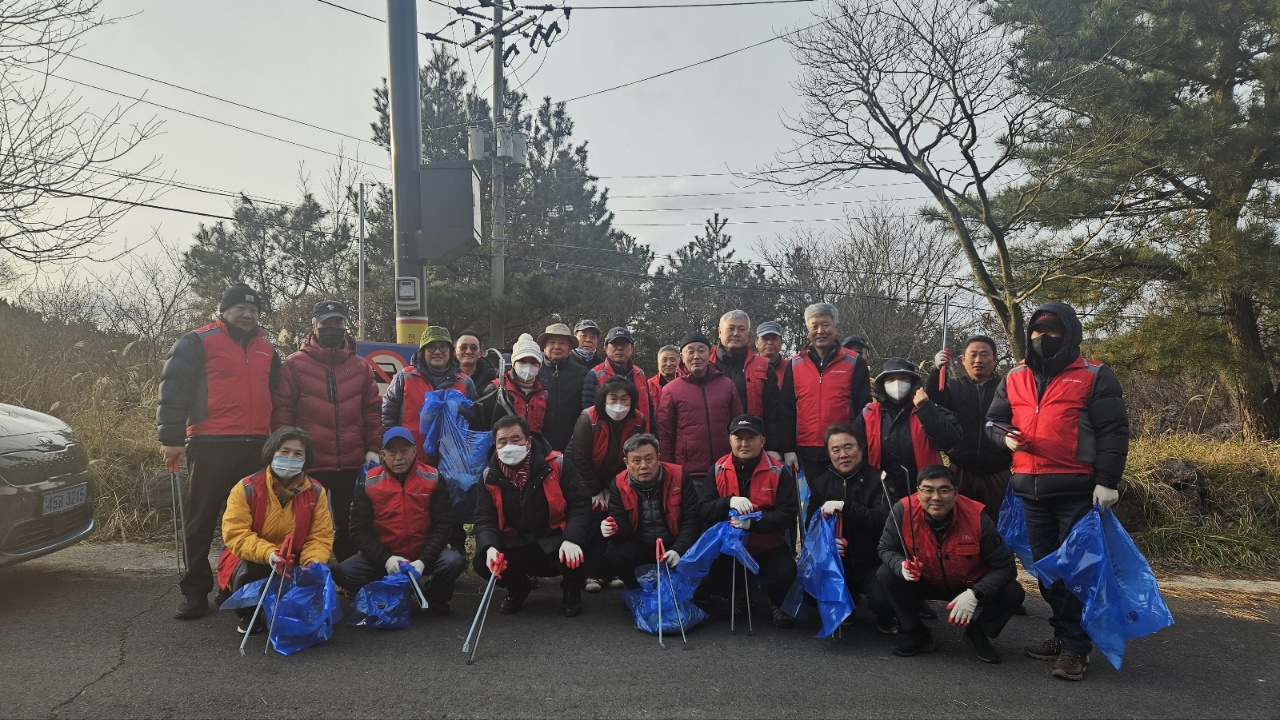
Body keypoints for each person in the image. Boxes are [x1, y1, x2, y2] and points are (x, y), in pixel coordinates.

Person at [986, 302, 1130, 681]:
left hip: (1077, 491)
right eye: (1036, 331)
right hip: (1029, 491)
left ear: (1070, 335)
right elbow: (994, 421)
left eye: (1052, 332)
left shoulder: (1095, 375)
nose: (1042, 338)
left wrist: (1107, 481)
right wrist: (1006, 438)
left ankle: (1075, 649)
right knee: (1047, 571)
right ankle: (1064, 633)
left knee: (1075, 572)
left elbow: (1114, 431)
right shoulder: (1014, 376)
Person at [157, 282, 282, 620]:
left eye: (254, 310)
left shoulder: (268, 348)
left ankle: (234, 585)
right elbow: (174, 389)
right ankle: (194, 592)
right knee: (201, 520)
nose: (248, 314)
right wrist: (172, 439)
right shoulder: (197, 340)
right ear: (224, 311)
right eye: (241, 308)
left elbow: (277, 393)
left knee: (249, 523)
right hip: (210, 443)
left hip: (256, 445)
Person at [876, 465, 1025, 663]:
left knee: (1013, 592)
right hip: (924, 580)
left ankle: (977, 632)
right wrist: (900, 565)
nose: (936, 497)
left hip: (968, 585)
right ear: (918, 491)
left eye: (943, 490)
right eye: (928, 489)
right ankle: (914, 631)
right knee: (886, 574)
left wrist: (975, 594)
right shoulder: (902, 510)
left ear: (955, 493)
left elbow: (1005, 567)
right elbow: (885, 548)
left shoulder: (977, 517)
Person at [270, 300, 380, 562]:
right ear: (314, 325)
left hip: (351, 461)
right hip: (309, 461)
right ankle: (300, 575)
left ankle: (347, 576)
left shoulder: (360, 366)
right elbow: (283, 409)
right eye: (327, 323)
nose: (333, 328)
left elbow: (372, 410)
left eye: (338, 323)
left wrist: (374, 448)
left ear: (345, 326)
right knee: (302, 524)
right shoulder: (294, 364)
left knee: (350, 523)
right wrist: (285, 450)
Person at [217, 427, 335, 634]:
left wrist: (312, 563)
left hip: (295, 558)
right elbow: (236, 533)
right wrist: (269, 554)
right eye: (284, 451)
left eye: (298, 454)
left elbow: (320, 535)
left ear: (306, 459)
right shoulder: (246, 487)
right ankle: (249, 613)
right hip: (258, 558)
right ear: (272, 452)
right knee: (249, 572)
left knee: (316, 576)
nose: (290, 457)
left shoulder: (316, 491)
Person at [335, 427, 465, 615]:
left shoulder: (433, 478)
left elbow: (443, 525)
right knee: (344, 572)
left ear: (414, 451)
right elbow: (358, 530)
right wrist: (386, 559)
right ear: (383, 454)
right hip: (386, 556)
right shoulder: (369, 481)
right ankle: (386, 591)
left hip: (423, 554)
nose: (398, 457)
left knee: (453, 561)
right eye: (392, 451)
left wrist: (422, 560)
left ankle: (434, 595)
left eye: (404, 450)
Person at [473, 415, 591, 617]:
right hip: (515, 543)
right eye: (502, 441)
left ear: (528, 441)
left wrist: (571, 538)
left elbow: (580, 504)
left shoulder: (557, 464)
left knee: (582, 544)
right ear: (495, 445)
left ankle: (571, 589)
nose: (509, 445)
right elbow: (485, 519)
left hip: (554, 539)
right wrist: (490, 548)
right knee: (482, 561)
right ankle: (518, 587)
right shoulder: (488, 476)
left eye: (515, 439)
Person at [695, 415, 799, 628]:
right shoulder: (717, 469)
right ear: (730, 440)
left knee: (786, 572)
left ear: (762, 441)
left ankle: (775, 599)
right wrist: (728, 502)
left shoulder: (778, 471)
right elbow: (704, 510)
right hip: (727, 547)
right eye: (738, 437)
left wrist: (754, 523)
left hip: (766, 544)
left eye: (750, 438)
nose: (744, 443)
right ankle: (736, 594)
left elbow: (788, 515)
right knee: (705, 575)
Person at [807, 423, 896, 633]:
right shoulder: (820, 484)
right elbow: (810, 525)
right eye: (835, 450)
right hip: (837, 561)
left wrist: (847, 508)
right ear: (828, 454)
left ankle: (887, 615)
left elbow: (884, 519)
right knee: (806, 591)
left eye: (849, 447)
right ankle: (848, 605)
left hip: (873, 560)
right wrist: (827, 543)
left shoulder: (880, 480)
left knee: (884, 599)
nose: (843, 455)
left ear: (861, 448)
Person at [569, 376, 647, 592]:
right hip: (586, 478)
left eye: (625, 399)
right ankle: (590, 574)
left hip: (619, 480)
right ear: (604, 399)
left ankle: (610, 571)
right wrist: (596, 490)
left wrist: (613, 488)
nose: (619, 404)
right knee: (594, 519)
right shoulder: (588, 418)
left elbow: (635, 454)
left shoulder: (639, 420)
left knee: (616, 521)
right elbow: (579, 457)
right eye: (613, 398)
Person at [780, 303, 872, 484]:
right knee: (812, 505)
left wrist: (860, 446)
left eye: (825, 325)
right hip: (805, 450)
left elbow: (864, 408)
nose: (820, 331)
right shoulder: (795, 364)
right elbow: (787, 409)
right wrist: (787, 448)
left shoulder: (854, 362)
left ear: (835, 328)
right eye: (814, 326)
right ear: (808, 330)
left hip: (842, 451)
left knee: (841, 504)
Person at [926, 335, 1013, 520]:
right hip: (961, 470)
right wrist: (937, 370)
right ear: (963, 359)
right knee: (960, 522)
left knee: (998, 525)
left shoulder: (1006, 388)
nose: (978, 360)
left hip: (997, 470)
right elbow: (934, 396)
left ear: (995, 359)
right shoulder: (954, 387)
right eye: (972, 355)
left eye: (984, 355)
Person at [855, 357, 963, 501]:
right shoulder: (868, 414)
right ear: (882, 384)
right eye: (891, 379)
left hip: (925, 492)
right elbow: (856, 451)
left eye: (903, 378)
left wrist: (926, 408)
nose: (897, 383)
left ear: (912, 383)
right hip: (882, 493)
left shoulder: (928, 407)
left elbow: (950, 440)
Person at [602, 434, 700, 589]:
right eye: (636, 460)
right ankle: (637, 592)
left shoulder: (679, 476)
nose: (643, 466)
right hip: (641, 545)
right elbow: (623, 530)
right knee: (615, 552)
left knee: (701, 544)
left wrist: (678, 549)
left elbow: (692, 519)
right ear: (626, 463)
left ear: (658, 458)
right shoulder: (618, 484)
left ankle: (690, 591)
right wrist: (611, 528)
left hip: (674, 542)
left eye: (649, 459)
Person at [657, 332, 743, 483]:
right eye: (690, 351)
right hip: (689, 473)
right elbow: (665, 435)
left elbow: (737, 426)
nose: (696, 356)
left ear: (710, 354)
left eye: (701, 350)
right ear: (682, 357)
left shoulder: (727, 385)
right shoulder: (671, 390)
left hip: (724, 467)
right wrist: (669, 470)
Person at [381, 326, 477, 457]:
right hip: (410, 462)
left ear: (450, 351)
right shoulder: (404, 377)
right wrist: (392, 448)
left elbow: (474, 421)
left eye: (443, 346)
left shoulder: (465, 382)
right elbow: (387, 415)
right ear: (422, 351)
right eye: (431, 347)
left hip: (451, 462)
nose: (437, 352)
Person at [710, 310, 781, 453]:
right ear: (720, 332)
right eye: (731, 328)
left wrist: (773, 448)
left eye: (741, 329)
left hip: (750, 444)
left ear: (748, 334)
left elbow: (773, 412)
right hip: (712, 444)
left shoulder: (763, 367)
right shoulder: (705, 363)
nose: (736, 333)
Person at [581, 327, 653, 431]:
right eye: (614, 345)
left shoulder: (640, 374)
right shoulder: (595, 375)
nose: (619, 348)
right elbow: (588, 414)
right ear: (605, 348)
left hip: (639, 437)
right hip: (607, 438)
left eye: (624, 345)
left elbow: (649, 410)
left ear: (632, 349)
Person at [476, 333, 548, 436]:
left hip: (534, 449)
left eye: (533, 362)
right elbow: (482, 427)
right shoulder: (496, 389)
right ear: (514, 363)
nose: (528, 366)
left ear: (539, 365)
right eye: (522, 361)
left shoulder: (543, 393)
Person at [537, 323, 590, 452]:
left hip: (573, 445)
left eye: (562, 343)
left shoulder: (582, 373)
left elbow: (587, 412)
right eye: (552, 342)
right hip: (539, 445)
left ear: (570, 347)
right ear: (544, 346)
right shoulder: (535, 372)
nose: (556, 347)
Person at [647, 344, 680, 414]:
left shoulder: (686, 384)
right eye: (664, 360)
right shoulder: (649, 385)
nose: (668, 364)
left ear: (679, 362)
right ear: (658, 363)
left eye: (672, 360)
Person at [754, 321, 787, 388]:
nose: (769, 342)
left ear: (781, 342)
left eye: (774, 339)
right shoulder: (748, 368)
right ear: (756, 343)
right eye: (765, 339)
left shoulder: (790, 369)